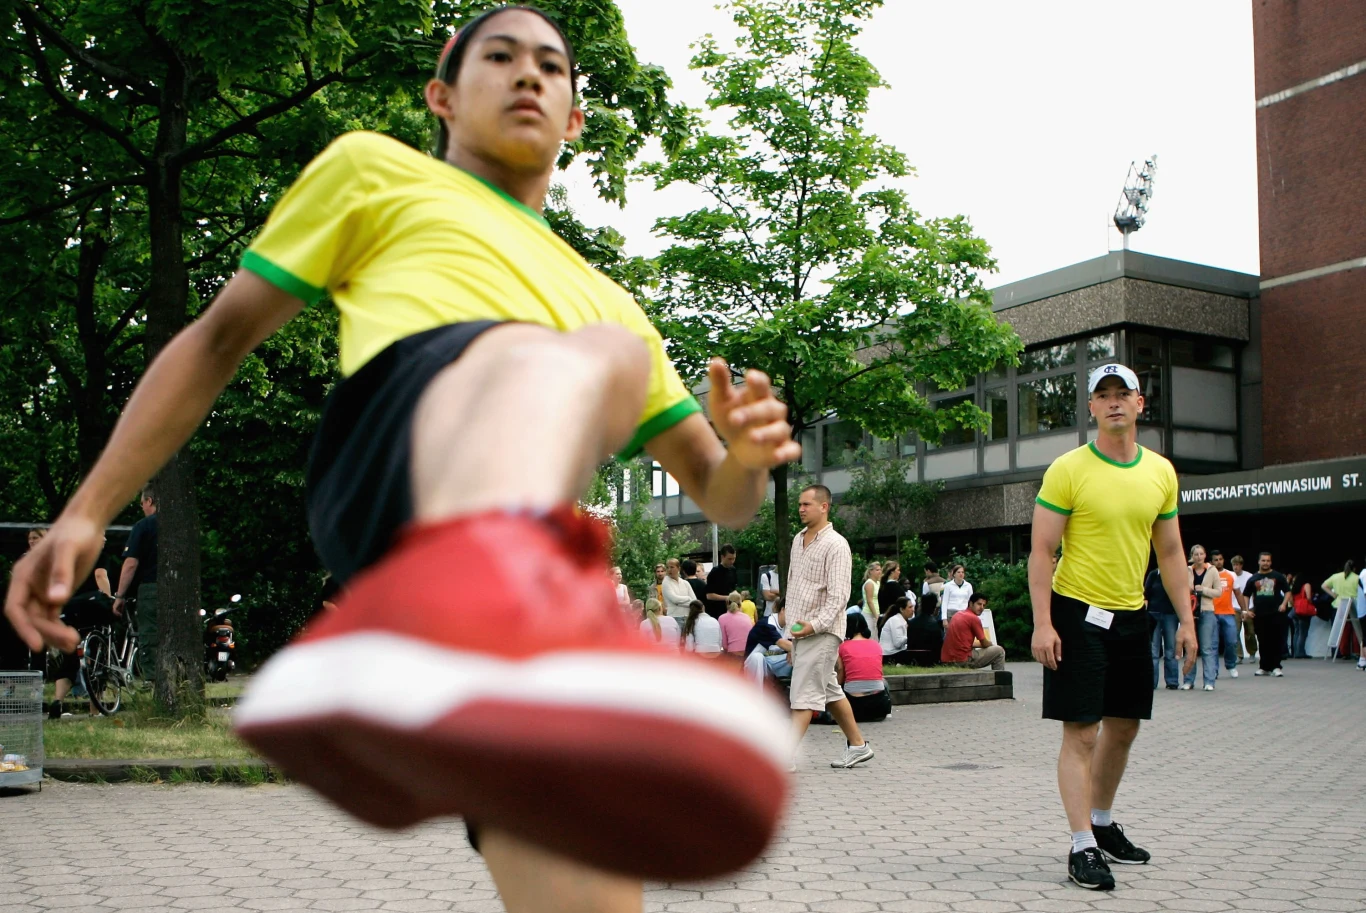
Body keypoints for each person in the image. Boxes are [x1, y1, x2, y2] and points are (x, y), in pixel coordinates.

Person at [4, 6, 803, 905]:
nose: (528, 76)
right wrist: (85, 510)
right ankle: (458, 597)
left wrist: (744, 455)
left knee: (582, 871)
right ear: (442, 97)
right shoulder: (376, 172)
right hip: (396, 449)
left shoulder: (609, 297)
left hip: (534, 580)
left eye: (551, 66)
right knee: (591, 357)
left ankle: (483, 650)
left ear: (577, 116)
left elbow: (718, 493)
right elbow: (217, 338)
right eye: (499, 58)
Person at [1029, 363, 1195, 892]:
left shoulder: (1161, 472)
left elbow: (1169, 552)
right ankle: (1081, 847)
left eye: (1124, 393)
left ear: (1140, 404)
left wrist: (1187, 619)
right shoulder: (1068, 469)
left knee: (1124, 726)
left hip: (1131, 615)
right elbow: (1041, 551)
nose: (1115, 402)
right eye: (1104, 395)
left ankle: (1101, 823)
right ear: (1092, 409)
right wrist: (1042, 623)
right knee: (1082, 731)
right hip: (1076, 613)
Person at [787, 484, 873, 770]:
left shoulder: (836, 545)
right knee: (829, 690)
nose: (801, 509)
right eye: (800, 504)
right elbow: (795, 586)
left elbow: (839, 596)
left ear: (824, 506)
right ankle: (858, 746)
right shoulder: (797, 539)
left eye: (807, 504)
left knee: (802, 693)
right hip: (802, 631)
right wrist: (793, 629)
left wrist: (813, 625)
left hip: (822, 631)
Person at [114, 487, 158, 676]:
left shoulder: (144, 526)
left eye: (142, 504)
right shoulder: (180, 525)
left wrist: (120, 595)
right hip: (181, 591)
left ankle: (155, 680)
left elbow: (130, 564)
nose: (142, 508)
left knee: (150, 635)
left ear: (149, 501)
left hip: (151, 588)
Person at [836, 614, 890, 723]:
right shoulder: (876, 645)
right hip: (879, 707)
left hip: (854, 707)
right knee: (883, 681)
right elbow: (879, 673)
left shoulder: (842, 647)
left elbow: (840, 674)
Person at [1243, 552, 1291, 676]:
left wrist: (1284, 604)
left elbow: (1287, 591)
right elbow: (1246, 594)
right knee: (1263, 640)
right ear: (1259, 562)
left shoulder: (1278, 576)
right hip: (1260, 614)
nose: (1266, 563)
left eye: (1268, 561)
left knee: (1276, 640)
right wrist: (1247, 610)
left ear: (1271, 562)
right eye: (1263, 561)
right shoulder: (1253, 578)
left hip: (1276, 614)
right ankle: (1264, 667)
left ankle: (1276, 667)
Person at [1186, 544, 1223, 691]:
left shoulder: (1212, 571)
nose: (1199, 557)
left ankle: (1209, 681)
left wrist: (1204, 590)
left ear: (1205, 555)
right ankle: (1188, 680)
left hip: (1207, 611)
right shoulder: (1187, 570)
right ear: (1192, 556)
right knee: (1191, 647)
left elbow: (1219, 592)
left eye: (1201, 554)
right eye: (1196, 554)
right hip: (1190, 611)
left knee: (1207, 648)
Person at [941, 594, 1005, 671]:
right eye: (979, 604)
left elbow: (962, 642)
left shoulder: (957, 615)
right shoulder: (973, 618)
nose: (981, 607)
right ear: (971, 603)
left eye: (984, 605)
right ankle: (1000, 679)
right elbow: (984, 643)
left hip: (947, 659)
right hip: (962, 660)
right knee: (999, 651)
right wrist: (990, 644)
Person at [1145, 562, 1179, 690]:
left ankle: (1172, 681)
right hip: (1154, 614)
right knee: (1153, 650)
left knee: (1170, 649)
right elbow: (1146, 593)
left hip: (1170, 615)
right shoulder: (1153, 575)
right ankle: (1151, 682)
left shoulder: (1174, 575)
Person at [743, 598, 793, 684]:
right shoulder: (766, 623)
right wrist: (793, 649)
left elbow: (791, 646)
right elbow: (782, 643)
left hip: (773, 663)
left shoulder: (789, 627)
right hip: (754, 664)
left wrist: (792, 652)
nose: (794, 616)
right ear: (783, 610)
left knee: (798, 656)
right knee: (757, 657)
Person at [1209, 550, 1241, 678]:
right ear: (1211, 562)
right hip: (1211, 613)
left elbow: (1238, 593)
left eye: (1220, 559)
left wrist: (1244, 609)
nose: (1219, 562)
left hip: (1228, 613)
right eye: (1216, 560)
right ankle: (1214, 670)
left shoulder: (1231, 574)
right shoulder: (1208, 575)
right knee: (1213, 644)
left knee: (1232, 641)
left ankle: (1231, 665)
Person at [1322, 560, 1360, 661]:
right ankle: (1358, 652)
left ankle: (1343, 652)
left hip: (1339, 605)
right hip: (1354, 605)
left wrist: (1334, 595)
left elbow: (1324, 586)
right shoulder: (1357, 578)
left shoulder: (1336, 576)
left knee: (1342, 630)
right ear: (1355, 569)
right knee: (1357, 630)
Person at [904, 593, 944, 666]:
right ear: (934, 607)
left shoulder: (911, 623)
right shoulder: (936, 625)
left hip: (913, 658)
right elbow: (939, 645)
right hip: (930, 660)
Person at [1230, 554, 1256, 663]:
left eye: (1237, 565)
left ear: (1241, 565)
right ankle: (1239, 655)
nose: (1235, 567)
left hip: (1248, 606)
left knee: (1249, 631)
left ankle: (1252, 652)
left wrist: (1252, 607)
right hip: (1234, 607)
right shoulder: (1230, 576)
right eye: (1234, 565)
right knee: (1235, 631)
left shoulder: (1249, 576)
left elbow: (1253, 592)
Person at [1288, 573, 1316, 659]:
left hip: (1295, 610)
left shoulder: (1295, 587)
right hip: (1303, 610)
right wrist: (1311, 603)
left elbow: (1290, 598)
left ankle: (1296, 652)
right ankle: (1300, 652)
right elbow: (1308, 597)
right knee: (1303, 633)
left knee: (1296, 632)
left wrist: (1295, 605)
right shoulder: (1306, 585)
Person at [705, 545, 738, 618]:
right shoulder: (715, 572)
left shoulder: (733, 570)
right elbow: (709, 595)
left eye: (734, 558)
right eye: (729, 559)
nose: (732, 561)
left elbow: (733, 588)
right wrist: (728, 597)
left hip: (731, 609)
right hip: (717, 611)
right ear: (722, 557)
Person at [660, 558, 695, 625]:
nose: (669, 570)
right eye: (667, 567)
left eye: (672, 567)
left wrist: (679, 603)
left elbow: (694, 601)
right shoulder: (666, 582)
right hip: (674, 617)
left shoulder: (685, 583)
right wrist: (688, 598)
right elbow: (674, 599)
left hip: (687, 617)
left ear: (678, 568)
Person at [719, 591, 754, 656]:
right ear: (740, 604)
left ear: (727, 602)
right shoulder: (747, 617)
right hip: (748, 653)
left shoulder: (722, 618)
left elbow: (724, 644)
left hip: (733, 654)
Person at [859, 561, 882, 640]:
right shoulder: (869, 583)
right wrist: (876, 615)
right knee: (871, 636)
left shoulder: (878, 583)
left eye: (880, 570)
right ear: (871, 571)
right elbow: (869, 601)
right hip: (869, 613)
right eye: (877, 570)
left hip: (877, 612)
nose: (879, 572)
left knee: (876, 637)